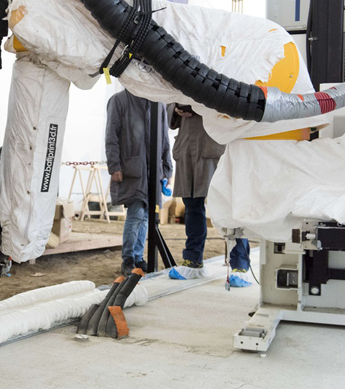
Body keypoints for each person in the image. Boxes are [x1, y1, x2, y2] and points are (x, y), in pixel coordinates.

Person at [166, 103, 251, 287]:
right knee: (192, 206)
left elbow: (229, 103)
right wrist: (175, 108)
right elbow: (168, 106)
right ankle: (193, 260)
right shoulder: (179, 78)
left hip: (213, 148)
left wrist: (196, 106)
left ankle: (240, 264)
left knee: (229, 206)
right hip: (188, 147)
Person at [105, 89, 172, 276]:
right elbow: (111, 135)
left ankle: (138, 257)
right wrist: (114, 166)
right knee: (136, 214)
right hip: (132, 168)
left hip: (153, 170)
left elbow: (164, 136)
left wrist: (167, 166)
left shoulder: (158, 102)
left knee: (147, 216)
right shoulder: (118, 101)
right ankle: (128, 259)